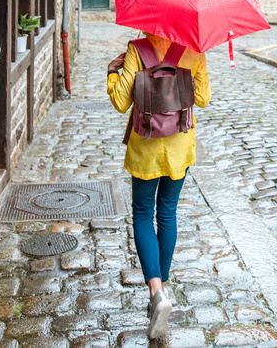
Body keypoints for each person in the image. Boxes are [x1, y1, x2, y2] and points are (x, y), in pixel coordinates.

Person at [106, 32, 211, 339]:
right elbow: (203, 99)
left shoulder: (137, 49)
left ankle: (156, 290)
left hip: (146, 149)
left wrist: (113, 72)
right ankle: (162, 288)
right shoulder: (194, 49)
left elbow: (120, 101)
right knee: (167, 212)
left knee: (141, 214)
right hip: (179, 147)